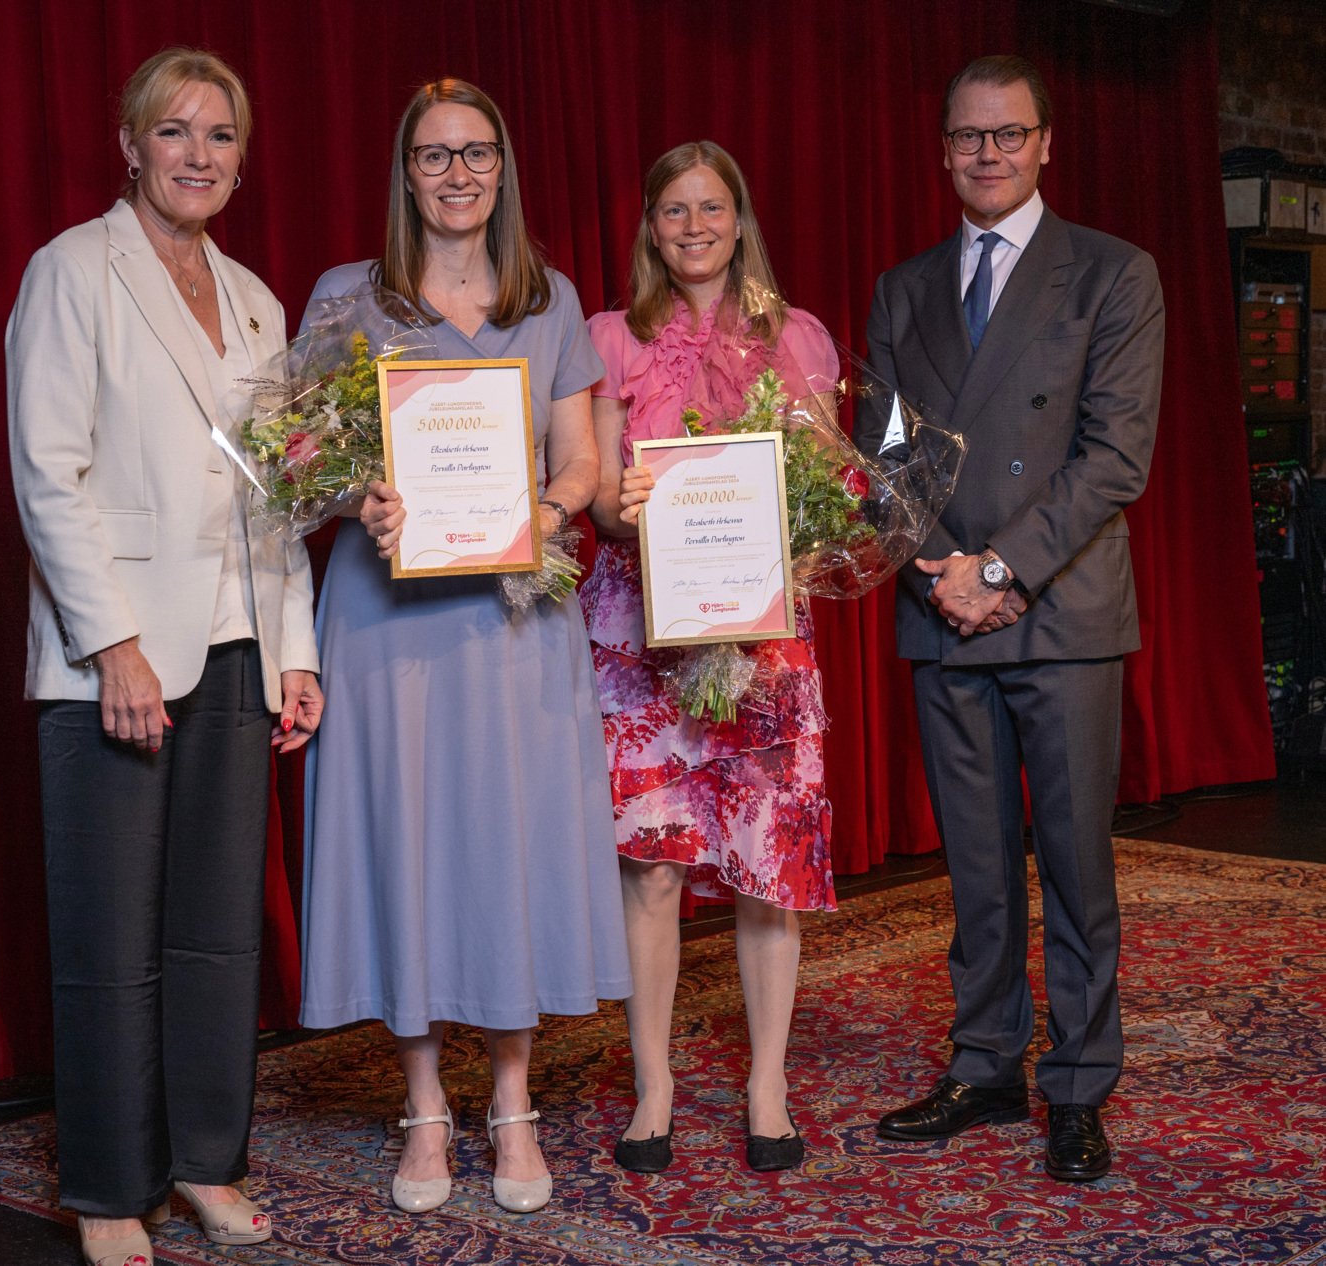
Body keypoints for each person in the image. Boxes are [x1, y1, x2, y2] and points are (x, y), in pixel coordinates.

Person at [7, 47, 322, 1266]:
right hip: (118, 655)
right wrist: (115, 648)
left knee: (214, 931)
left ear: (242, 157)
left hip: (240, 643)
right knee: (109, 935)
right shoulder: (71, 271)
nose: (199, 155)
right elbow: (49, 473)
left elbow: (282, 491)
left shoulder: (254, 296)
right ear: (130, 145)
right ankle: (105, 1184)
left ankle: (203, 1160)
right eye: (175, 132)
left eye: (221, 136)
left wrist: (295, 649)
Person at [295, 78, 630, 1216]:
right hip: (385, 624)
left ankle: (514, 1100)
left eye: (475, 153)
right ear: (405, 173)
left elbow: (581, 468)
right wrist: (357, 499)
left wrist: (541, 513)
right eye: (433, 157)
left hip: (508, 621)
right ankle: (425, 1105)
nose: (456, 175)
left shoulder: (551, 299)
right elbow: (299, 467)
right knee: (411, 848)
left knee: (506, 849)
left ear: (503, 169)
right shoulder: (347, 297)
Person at [858, 55, 1164, 1182]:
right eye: (966, 137)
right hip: (943, 610)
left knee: (1076, 865)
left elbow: (1111, 458)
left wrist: (999, 567)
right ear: (941, 150)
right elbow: (880, 460)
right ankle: (983, 1065)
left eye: (1007, 134)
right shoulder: (903, 288)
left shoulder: (1112, 275)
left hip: (1061, 608)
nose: (985, 153)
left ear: (1044, 145)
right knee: (976, 869)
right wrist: (940, 571)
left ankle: (1077, 1084)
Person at [581, 141, 838, 1174]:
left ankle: (764, 1084)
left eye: (711, 208)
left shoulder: (799, 338)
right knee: (647, 870)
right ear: (650, 226)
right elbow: (596, 497)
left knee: (766, 870)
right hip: (636, 643)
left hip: (762, 641)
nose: (692, 227)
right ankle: (654, 1087)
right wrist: (621, 504)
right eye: (673, 211)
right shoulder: (609, 337)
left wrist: (793, 560)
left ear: (739, 220)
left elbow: (824, 494)